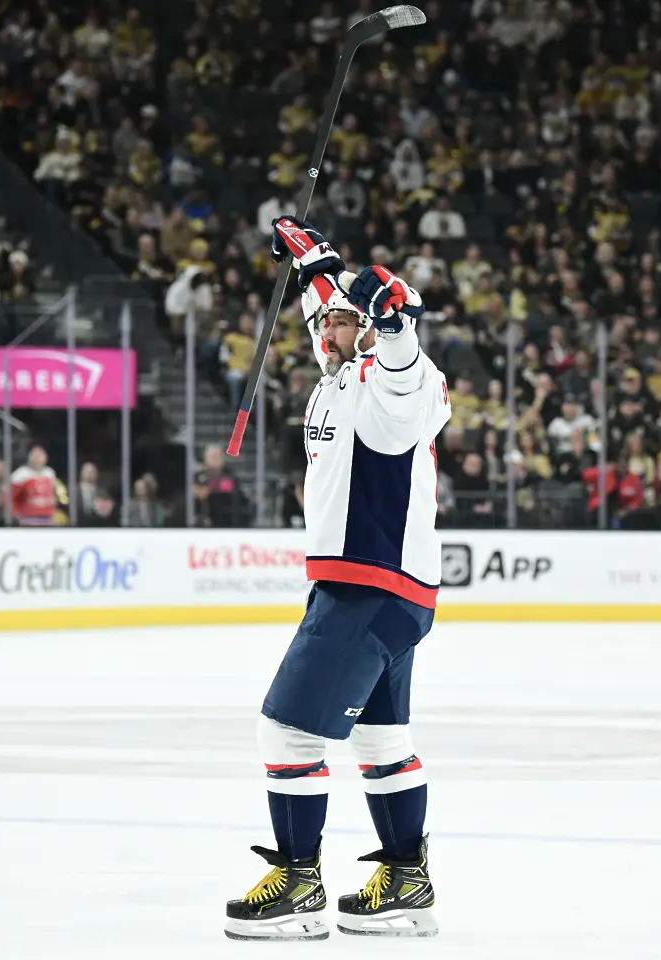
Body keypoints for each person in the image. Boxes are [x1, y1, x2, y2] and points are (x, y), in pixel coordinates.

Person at [225, 217, 449, 941]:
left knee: (287, 732)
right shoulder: (340, 369)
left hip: (366, 586)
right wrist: (313, 261)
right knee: (382, 742)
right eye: (327, 319)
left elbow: (402, 360)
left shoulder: (395, 382)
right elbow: (333, 305)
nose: (328, 327)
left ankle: (296, 884)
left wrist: (393, 321)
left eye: (347, 320)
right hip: (390, 592)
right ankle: (407, 884)